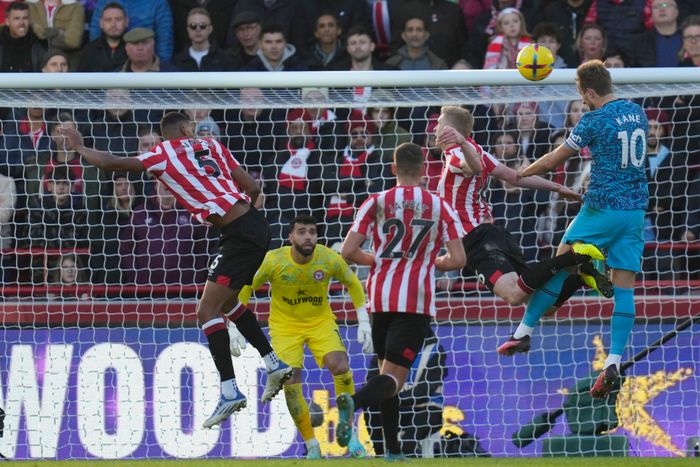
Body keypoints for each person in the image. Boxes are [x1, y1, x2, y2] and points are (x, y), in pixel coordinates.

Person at [59, 111, 293, 429]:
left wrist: (79, 147)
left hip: (238, 234)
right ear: (184, 128)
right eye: (191, 127)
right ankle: (273, 363)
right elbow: (252, 187)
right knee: (226, 303)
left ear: (167, 133)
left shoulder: (163, 153)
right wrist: (242, 216)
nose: (194, 130)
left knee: (206, 310)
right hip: (253, 226)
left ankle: (230, 391)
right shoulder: (213, 145)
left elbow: (111, 163)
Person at [501, 60, 649, 400]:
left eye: (581, 94)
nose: (581, 100)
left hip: (602, 207)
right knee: (625, 288)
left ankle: (524, 331)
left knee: (560, 261)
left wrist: (520, 174)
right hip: (635, 212)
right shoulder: (637, 111)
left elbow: (555, 159)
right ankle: (613, 361)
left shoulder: (593, 120)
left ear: (589, 92)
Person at [335, 142, 467, 460]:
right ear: (423, 170)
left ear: (393, 168)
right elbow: (458, 259)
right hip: (414, 302)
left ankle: (393, 452)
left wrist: (379, 259)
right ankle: (353, 401)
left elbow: (348, 251)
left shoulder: (376, 201)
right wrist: (428, 262)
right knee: (394, 379)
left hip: (379, 298)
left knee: (386, 372)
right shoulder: (439, 206)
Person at [434, 105, 606, 312]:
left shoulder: (456, 154)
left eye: (438, 124)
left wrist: (461, 142)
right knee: (541, 304)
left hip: (476, 239)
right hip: (489, 233)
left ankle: (575, 256)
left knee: (514, 296)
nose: (434, 128)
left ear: (450, 130)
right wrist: (558, 187)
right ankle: (580, 278)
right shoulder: (478, 150)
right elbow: (516, 177)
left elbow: (475, 167)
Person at [237, 215, 371, 459]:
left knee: (341, 366)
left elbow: (352, 282)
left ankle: (348, 431)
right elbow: (246, 287)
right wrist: (235, 325)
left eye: (312, 232)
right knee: (290, 381)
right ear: (291, 237)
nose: (308, 236)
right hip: (285, 327)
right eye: (301, 232)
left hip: (320, 322)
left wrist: (363, 320)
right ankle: (312, 444)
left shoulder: (328, 258)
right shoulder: (274, 260)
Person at [78, 2, 128, 72]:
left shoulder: (135, 49)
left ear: (126, 22)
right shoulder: (89, 51)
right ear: (101, 23)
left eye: (118, 19)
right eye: (108, 20)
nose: (113, 24)